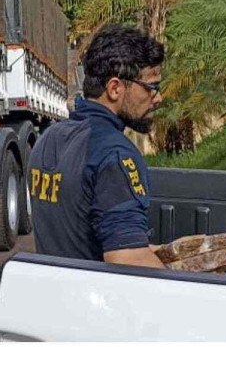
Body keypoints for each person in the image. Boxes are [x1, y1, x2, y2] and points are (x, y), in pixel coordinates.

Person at [29, 24, 167, 268]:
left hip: (52, 297)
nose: (158, 98)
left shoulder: (48, 139)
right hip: (94, 302)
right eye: (151, 87)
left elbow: (82, 236)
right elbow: (127, 260)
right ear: (115, 88)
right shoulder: (115, 155)